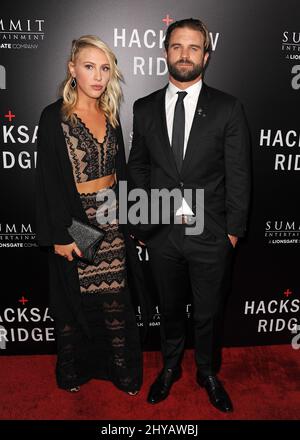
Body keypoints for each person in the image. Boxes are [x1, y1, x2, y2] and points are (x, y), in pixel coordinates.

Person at [127, 18, 251, 412]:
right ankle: (169, 367)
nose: (185, 54)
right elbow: (139, 168)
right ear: (165, 52)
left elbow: (239, 173)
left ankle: (208, 372)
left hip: (211, 234)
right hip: (162, 232)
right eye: (177, 46)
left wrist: (232, 232)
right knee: (168, 307)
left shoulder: (228, 108)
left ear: (207, 56)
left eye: (194, 47)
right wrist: (143, 222)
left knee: (209, 310)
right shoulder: (144, 107)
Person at [35, 35, 145, 395]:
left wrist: (133, 218)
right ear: (72, 70)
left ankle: (122, 372)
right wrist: (60, 236)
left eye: (104, 68)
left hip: (110, 217)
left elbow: (122, 173)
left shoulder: (110, 115)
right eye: (88, 66)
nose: (98, 76)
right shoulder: (54, 117)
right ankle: (73, 372)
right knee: (73, 304)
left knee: (115, 301)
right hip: (73, 219)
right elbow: (49, 182)